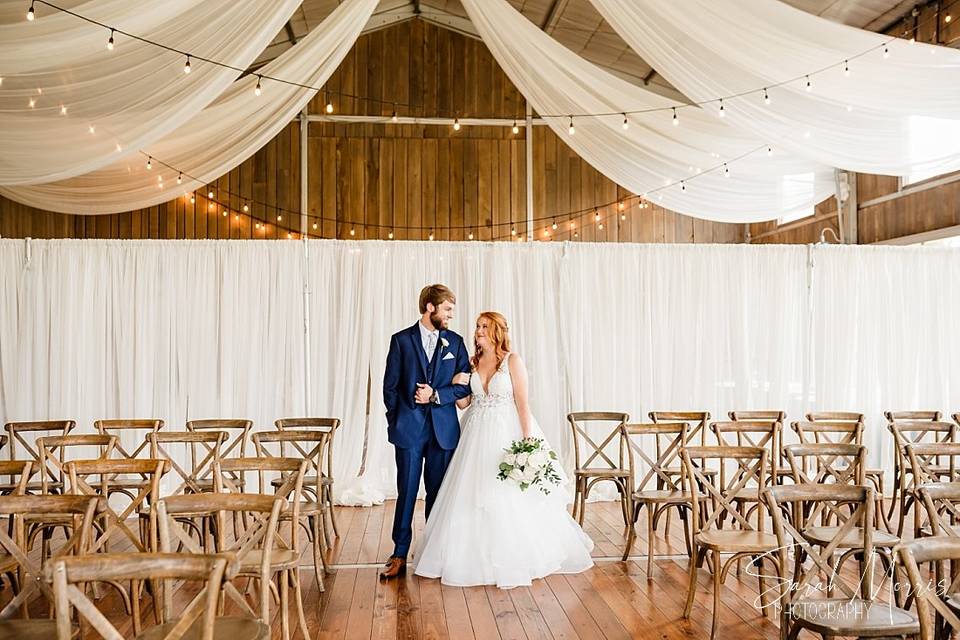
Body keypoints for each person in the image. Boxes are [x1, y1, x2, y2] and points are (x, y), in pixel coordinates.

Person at [413, 311, 594, 588]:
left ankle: (514, 557)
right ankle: (470, 557)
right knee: (470, 493)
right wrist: (452, 384)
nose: (479, 331)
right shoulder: (473, 363)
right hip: (475, 432)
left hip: (505, 432)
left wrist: (528, 444)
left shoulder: (512, 361)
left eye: (485, 326)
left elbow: (523, 404)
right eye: (477, 326)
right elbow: (464, 404)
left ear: (497, 330)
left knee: (507, 495)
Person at [380, 284, 472, 579]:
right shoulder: (401, 341)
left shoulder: (455, 343)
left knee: (437, 493)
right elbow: (390, 387)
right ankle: (399, 553)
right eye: (447, 310)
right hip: (408, 430)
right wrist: (396, 419)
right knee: (406, 491)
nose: (450, 316)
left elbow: (464, 385)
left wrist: (435, 395)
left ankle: (432, 551)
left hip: (443, 430)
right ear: (430, 308)